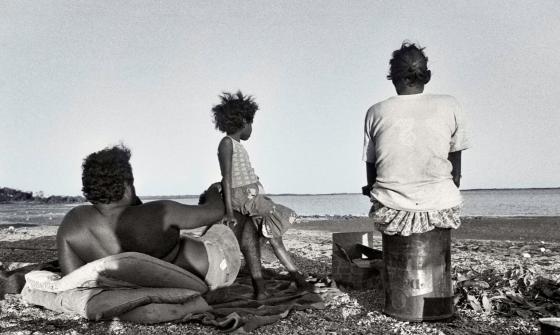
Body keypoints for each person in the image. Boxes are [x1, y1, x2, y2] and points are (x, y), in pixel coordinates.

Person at [56, 145, 241, 289]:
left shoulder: (71, 225)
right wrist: (214, 191)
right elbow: (215, 211)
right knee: (226, 226)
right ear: (127, 186)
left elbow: (72, 280)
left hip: (137, 283)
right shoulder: (161, 211)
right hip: (215, 271)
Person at [362, 42, 470, 236]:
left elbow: (372, 176)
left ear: (392, 78)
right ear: (427, 77)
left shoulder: (375, 112)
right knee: (437, 263)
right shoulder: (451, 105)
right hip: (440, 206)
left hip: (391, 209)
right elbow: (455, 177)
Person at [211, 91, 308, 299]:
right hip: (245, 199)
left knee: (274, 238)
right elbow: (227, 177)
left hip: (250, 196)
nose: (251, 129)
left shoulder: (235, 145)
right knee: (276, 221)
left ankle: (286, 282)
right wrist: (229, 211)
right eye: (251, 123)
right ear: (244, 121)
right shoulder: (227, 143)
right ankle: (297, 279)